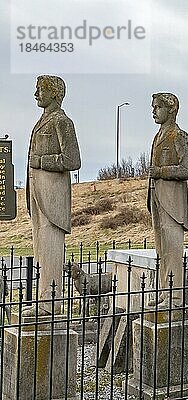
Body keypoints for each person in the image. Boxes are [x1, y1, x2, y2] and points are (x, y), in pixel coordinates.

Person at [23, 75, 81, 316]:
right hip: (39, 195)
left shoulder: (62, 122)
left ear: (55, 93)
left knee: (50, 249)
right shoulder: (42, 121)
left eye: (40, 89)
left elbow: (73, 160)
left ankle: (51, 302)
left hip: (53, 199)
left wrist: (42, 161)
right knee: (42, 251)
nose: (36, 94)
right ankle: (44, 298)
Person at [147, 93, 188, 307]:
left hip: (173, 201)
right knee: (162, 248)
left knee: (173, 248)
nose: (154, 111)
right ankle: (166, 291)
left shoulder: (179, 135)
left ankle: (176, 296)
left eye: (157, 107)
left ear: (171, 109)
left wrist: (160, 171)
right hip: (158, 198)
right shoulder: (158, 136)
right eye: (153, 107)